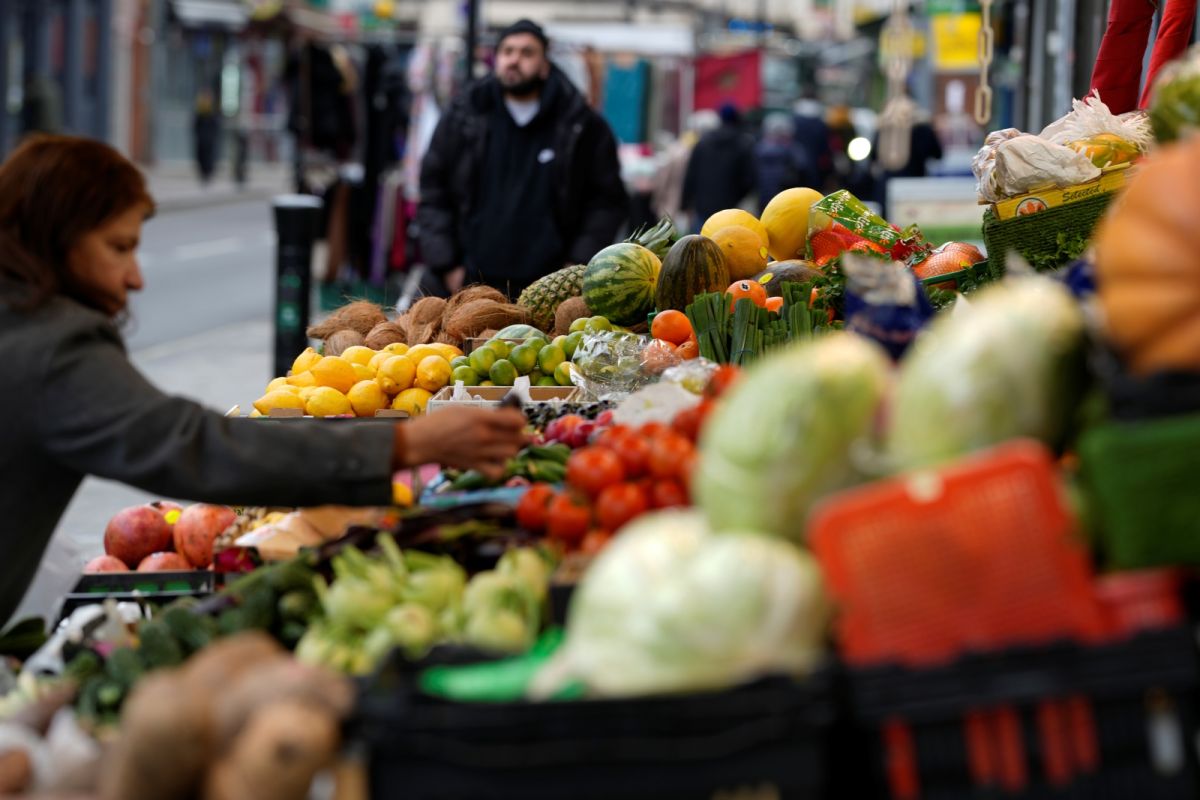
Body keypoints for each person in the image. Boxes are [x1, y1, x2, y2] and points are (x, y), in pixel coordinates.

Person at [0, 135, 528, 625]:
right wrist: (404, 442)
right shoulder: (53, 348)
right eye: (119, 248)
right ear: (58, 240)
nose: (135, 277)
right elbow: (192, 447)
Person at [417, 19, 628, 299]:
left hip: (548, 291)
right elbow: (433, 191)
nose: (514, 60)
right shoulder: (463, 117)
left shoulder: (580, 124)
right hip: (468, 286)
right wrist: (447, 266)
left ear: (544, 65)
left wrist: (575, 268)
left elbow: (606, 201)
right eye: (507, 51)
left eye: (527, 53)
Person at [680, 103, 756, 230]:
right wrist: (737, 196)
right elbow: (749, 180)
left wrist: (684, 203)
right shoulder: (743, 145)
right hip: (730, 209)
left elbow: (690, 175)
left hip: (702, 208)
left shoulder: (702, 143)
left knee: (699, 246)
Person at [755, 113, 820, 210]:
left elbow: (751, 176)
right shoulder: (795, 150)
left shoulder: (758, 150)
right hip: (788, 200)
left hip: (764, 198)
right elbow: (805, 170)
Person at [193, 89, 220, 185]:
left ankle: (207, 174)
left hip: (208, 139)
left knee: (208, 157)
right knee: (202, 157)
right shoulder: (200, 112)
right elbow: (196, 125)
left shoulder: (211, 112)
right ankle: (204, 174)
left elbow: (215, 126)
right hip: (202, 139)